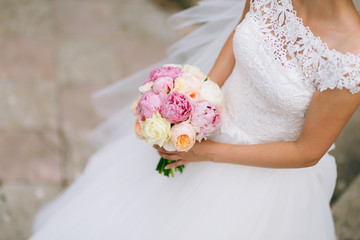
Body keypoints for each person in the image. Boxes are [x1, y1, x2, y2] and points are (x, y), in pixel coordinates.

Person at [30, 0, 360, 239]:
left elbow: (307, 151)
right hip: (203, 130)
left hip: (261, 178)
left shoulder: (350, 60)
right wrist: (197, 98)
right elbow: (241, 33)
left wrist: (204, 152)